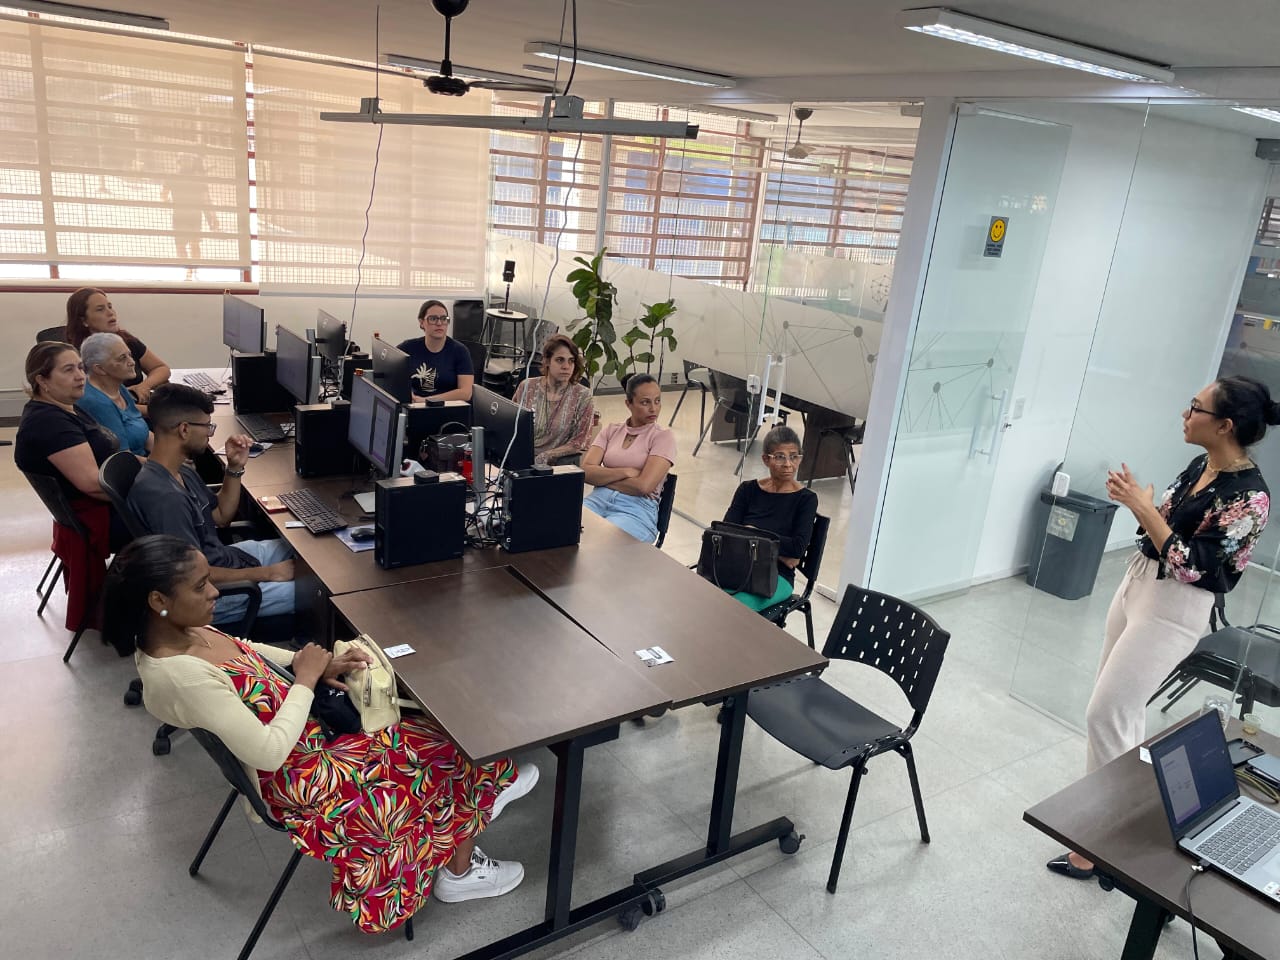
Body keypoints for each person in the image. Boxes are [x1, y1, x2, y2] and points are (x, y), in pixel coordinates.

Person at [102, 535, 536, 931]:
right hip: (300, 781)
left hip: (308, 745)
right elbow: (269, 753)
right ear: (158, 598)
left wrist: (305, 665)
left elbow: (246, 652)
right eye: (200, 586)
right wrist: (306, 682)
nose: (214, 591)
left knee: (443, 735)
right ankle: (461, 866)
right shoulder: (179, 675)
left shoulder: (181, 629)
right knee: (458, 750)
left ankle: (466, 816)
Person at [1048, 377, 1275, 882]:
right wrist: (1146, 509)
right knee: (1120, 718)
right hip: (1137, 584)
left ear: (1225, 425)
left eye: (1195, 407)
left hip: (1176, 605)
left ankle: (1107, 844)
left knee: (1105, 714)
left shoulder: (1250, 497)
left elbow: (1196, 565)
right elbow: (1163, 527)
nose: (1185, 413)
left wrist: (1144, 508)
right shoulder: (1202, 464)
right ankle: (1110, 838)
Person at [127, 384, 296, 625]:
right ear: (184, 429)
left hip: (223, 559)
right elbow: (189, 577)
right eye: (207, 426)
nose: (210, 434)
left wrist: (234, 468)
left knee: (305, 555)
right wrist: (267, 574)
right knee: (313, 593)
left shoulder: (179, 472)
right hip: (213, 593)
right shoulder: (165, 499)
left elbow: (221, 516)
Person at [15, 342, 120, 629]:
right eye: (69, 369)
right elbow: (94, 486)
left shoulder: (63, 407)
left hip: (86, 513)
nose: (81, 376)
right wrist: (151, 486)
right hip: (98, 519)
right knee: (180, 514)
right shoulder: (50, 424)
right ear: (42, 381)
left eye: (81, 368)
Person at [720, 425, 818, 611]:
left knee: (732, 609)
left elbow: (797, 548)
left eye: (794, 456)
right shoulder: (748, 490)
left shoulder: (806, 499)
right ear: (766, 459)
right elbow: (727, 533)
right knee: (701, 596)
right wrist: (777, 551)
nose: (788, 464)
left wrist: (754, 533)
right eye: (780, 457)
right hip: (736, 567)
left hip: (777, 576)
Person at [582, 374, 675, 542]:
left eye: (657, 401)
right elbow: (586, 471)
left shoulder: (663, 437)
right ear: (629, 403)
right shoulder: (611, 430)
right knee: (560, 529)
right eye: (645, 402)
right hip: (597, 500)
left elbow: (643, 487)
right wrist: (626, 471)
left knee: (601, 543)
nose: (653, 409)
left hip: (636, 509)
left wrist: (602, 477)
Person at [65, 287, 171, 406]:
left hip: (139, 405)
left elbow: (161, 368)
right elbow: (100, 405)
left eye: (110, 306)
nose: (110, 313)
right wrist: (159, 413)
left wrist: (144, 386)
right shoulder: (79, 355)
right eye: (100, 309)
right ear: (83, 320)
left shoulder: (126, 340)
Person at [511, 334, 594, 466]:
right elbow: (511, 425)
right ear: (547, 361)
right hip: (520, 458)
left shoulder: (582, 395)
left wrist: (545, 456)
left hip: (557, 467)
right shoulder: (527, 387)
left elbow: (580, 442)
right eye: (560, 360)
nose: (566, 366)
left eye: (571, 361)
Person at [76, 332, 151, 455]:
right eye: (122, 358)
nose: (132, 362)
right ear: (99, 369)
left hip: (143, 460)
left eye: (129, 355)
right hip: (130, 468)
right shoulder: (97, 403)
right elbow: (123, 458)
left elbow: (145, 434)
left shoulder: (118, 387)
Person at [397, 299, 474, 401]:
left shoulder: (460, 351)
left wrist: (428, 401)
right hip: (414, 406)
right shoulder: (408, 347)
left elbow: (466, 393)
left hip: (447, 409)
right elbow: (389, 369)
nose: (439, 323)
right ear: (421, 322)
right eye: (433, 319)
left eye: (443, 319)